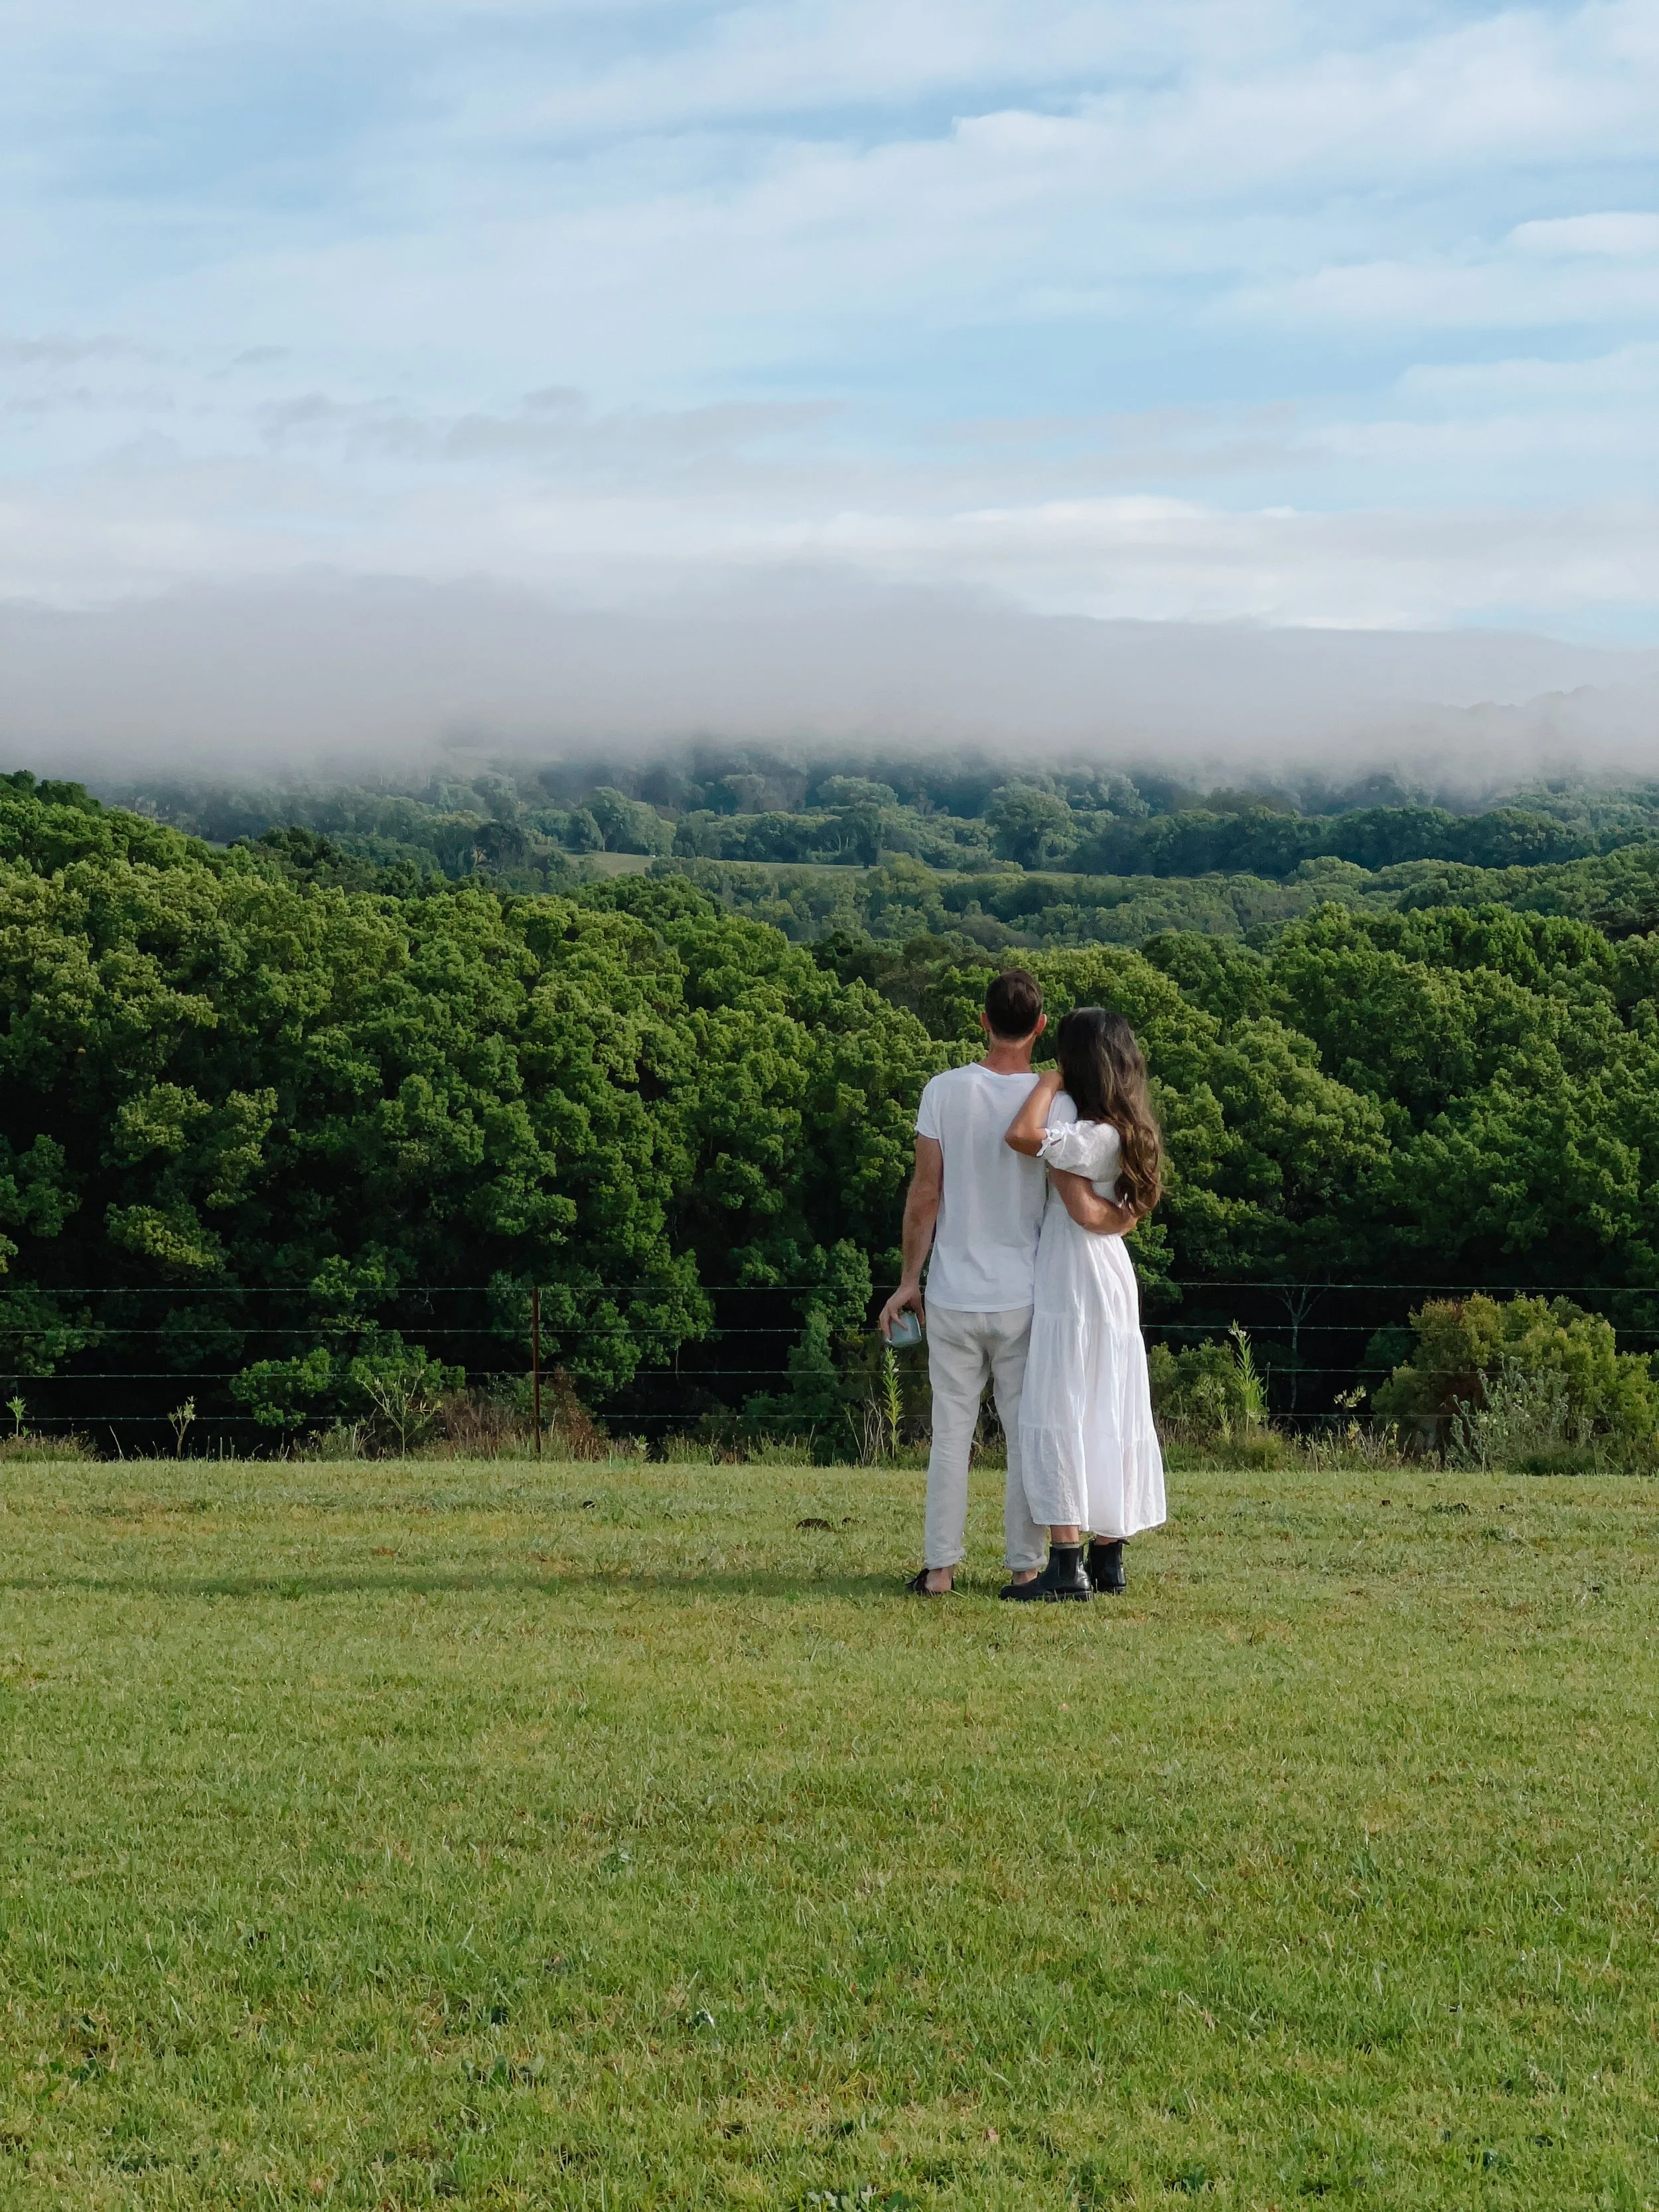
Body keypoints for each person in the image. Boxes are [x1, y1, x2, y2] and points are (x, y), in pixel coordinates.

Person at [879, 972, 1135, 1595]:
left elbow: (926, 1193)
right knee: (1028, 1434)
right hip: (1027, 1295)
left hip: (953, 1293)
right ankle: (1026, 1562)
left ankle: (941, 1567)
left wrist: (909, 1278)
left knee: (950, 1434)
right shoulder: (1059, 1103)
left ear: (982, 1019)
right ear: (1041, 1027)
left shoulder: (943, 1090)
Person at [1001, 1006, 1166, 1601]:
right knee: (1108, 1399)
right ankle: (1109, 1555)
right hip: (1112, 1275)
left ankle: (1066, 1561)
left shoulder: (1086, 1136)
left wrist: (1047, 1083)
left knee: (1062, 1396)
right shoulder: (1126, 1132)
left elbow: (1021, 1136)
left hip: (1073, 1271)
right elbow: (1116, 1212)